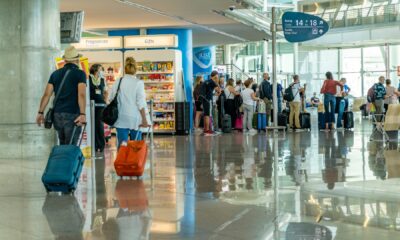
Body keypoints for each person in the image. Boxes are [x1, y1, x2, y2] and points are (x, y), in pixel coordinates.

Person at [36, 46, 87, 145]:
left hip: (57, 115)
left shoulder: (55, 74)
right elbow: (81, 94)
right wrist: (83, 114)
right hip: (72, 114)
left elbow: (47, 95)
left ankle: (62, 160)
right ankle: (68, 160)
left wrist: (40, 112)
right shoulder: (80, 74)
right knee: (71, 146)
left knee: (62, 144)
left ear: (65, 60)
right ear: (77, 59)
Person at [108, 57, 150, 148]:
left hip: (121, 117)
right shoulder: (138, 83)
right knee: (136, 146)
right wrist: (144, 119)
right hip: (135, 119)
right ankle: (134, 161)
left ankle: (122, 161)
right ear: (135, 69)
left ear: (125, 68)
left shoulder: (118, 81)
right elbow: (141, 102)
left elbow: (110, 98)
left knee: (122, 145)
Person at [89, 64, 108, 152]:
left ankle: (101, 144)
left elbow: (105, 92)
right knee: (93, 124)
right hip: (91, 105)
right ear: (96, 70)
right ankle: (95, 145)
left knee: (99, 124)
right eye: (101, 69)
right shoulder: (88, 78)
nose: (102, 71)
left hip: (100, 105)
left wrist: (105, 101)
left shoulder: (103, 80)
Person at [199, 70, 221, 135]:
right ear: (214, 77)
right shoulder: (212, 82)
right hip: (208, 101)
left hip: (205, 100)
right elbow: (219, 90)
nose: (217, 78)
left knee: (206, 115)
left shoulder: (206, 82)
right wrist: (217, 82)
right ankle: (208, 130)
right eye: (216, 77)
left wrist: (214, 94)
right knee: (208, 115)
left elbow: (209, 92)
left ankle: (206, 129)